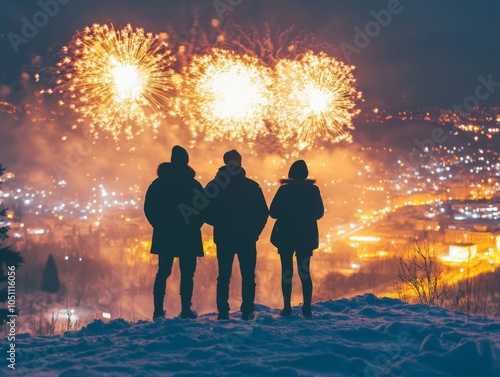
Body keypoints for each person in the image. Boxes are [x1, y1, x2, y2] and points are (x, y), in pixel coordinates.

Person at [204, 150, 268, 320]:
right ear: (240, 162)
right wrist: (255, 232)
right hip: (247, 237)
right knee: (248, 276)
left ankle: (223, 312)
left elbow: (203, 210)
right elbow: (263, 212)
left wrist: (218, 222)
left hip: (224, 237)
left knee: (223, 276)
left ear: (224, 162)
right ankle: (247, 311)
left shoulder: (214, 186)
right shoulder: (252, 186)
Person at [144, 146, 204, 320]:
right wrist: (194, 226)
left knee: (163, 272)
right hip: (188, 235)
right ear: (186, 161)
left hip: (165, 235)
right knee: (187, 273)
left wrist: (159, 225)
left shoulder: (159, 183)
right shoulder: (193, 184)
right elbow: (203, 209)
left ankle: (157, 311)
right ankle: (186, 309)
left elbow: (149, 208)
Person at [269, 160, 324, 317]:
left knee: (286, 271)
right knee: (304, 272)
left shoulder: (284, 191)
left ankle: (287, 307)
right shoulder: (313, 190)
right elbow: (319, 213)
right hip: (306, 238)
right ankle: (307, 308)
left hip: (286, 237)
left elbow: (273, 212)